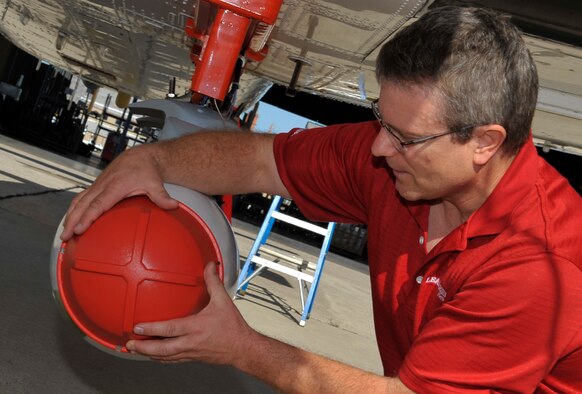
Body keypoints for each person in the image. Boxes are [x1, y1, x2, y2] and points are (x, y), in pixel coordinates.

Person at [61, 6, 582, 393]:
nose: (379, 146)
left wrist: (244, 348)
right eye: (382, 119)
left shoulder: (539, 264)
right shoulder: (396, 160)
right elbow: (262, 160)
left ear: (485, 143)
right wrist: (154, 162)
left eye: (405, 137)